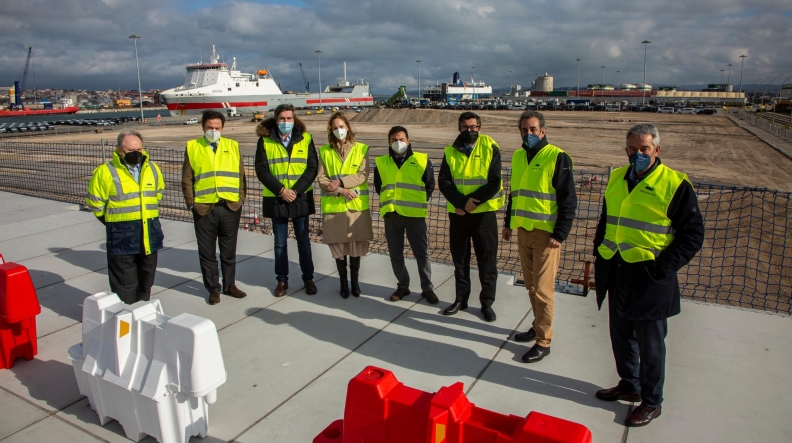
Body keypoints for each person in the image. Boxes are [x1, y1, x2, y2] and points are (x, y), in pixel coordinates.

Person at [593, 124, 704, 427]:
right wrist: (599, 252)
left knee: (651, 345)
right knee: (621, 336)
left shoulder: (675, 184)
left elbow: (692, 236)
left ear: (657, 150)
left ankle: (652, 402)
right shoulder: (617, 177)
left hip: (649, 277)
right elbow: (607, 221)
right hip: (616, 271)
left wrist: (662, 268)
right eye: (632, 149)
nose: (637, 154)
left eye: (644, 149)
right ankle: (629, 384)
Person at [503, 111, 577, 363]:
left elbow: (568, 199)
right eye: (524, 130)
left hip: (546, 236)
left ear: (543, 131)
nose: (529, 134)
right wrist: (507, 224)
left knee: (544, 292)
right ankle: (536, 326)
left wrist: (560, 233)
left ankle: (543, 341)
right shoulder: (518, 156)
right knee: (532, 287)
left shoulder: (557, 157)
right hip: (523, 230)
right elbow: (515, 194)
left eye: (533, 129)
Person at [438, 111, 505, 322]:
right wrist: (460, 204)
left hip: (483, 214)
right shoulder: (450, 151)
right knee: (460, 260)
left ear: (480, 128)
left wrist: (468, 204)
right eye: (466, 127)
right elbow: (444, 182)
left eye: (474, 127)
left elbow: (494, 182)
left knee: (487, 261)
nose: (470, 131)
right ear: (459, 129)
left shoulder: (490, 147)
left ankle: (487, 303)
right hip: (458, 215)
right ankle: (461, 299)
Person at [86, 131, 165, 304]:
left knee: (146, 282)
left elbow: (157, 194)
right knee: (125, 286)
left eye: (139, 149)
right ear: (119, 150)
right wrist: (115, 224)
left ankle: (142, 314)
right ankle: (125, 320)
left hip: (148, 237)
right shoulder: (105, 172)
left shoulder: (152, 169)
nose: (136, 153)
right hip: (122, 238)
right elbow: (96, 204)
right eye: (130, 149)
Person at [182, 110, 248, 305]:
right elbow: (187, 178)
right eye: (210, 127)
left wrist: (241, 198)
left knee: (229, 250)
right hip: (204, 208)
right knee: (207, 252)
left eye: (217, 128)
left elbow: (241, 175)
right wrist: (191, 202)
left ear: (222, 128)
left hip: (230, 206)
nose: (213, 131)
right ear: (203, 127)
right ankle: (213, 288)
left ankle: (230, 285)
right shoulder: (193, 147)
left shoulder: (232, 145)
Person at [255, 104, 318, 297]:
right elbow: (262, 170)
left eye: (289, 118)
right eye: (282, 119)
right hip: (277, 198)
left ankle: (308, 278)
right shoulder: (265, 141)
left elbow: (311, 168)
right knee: (280, 243)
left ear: (294, 120)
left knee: (303, 241)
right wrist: (281, 190)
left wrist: (296, 191)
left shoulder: (306, 139)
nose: (285, 122)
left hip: (300, 198)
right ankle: (281, 280)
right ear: (276, 120)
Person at [374, 125, 438, 304]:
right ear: (389, 142)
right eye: (394, 140)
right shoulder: (381, 162)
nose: (398, 142)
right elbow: (379, 186)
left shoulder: (421, 160)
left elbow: (429, 185)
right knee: (396, 254)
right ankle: (403, 285)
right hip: (392, 215)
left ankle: (427, 289)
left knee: (422, 254)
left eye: (401, 139)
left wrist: (416, 201)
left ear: (408, 141)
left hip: (414, 215)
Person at [316, 112, 373, 298]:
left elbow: (363, 174)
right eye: (334, 128)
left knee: (355, 245)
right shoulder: (325, 151)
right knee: (339, 248)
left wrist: (340, 182)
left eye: (341, 126)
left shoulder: (361, 149)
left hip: (356, 206)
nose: (338, 130)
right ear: (330, 131)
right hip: (335, 206)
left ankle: (354, 282)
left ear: (348, 127)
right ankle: (343, 282)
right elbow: (322, 178)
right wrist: (339, 191)